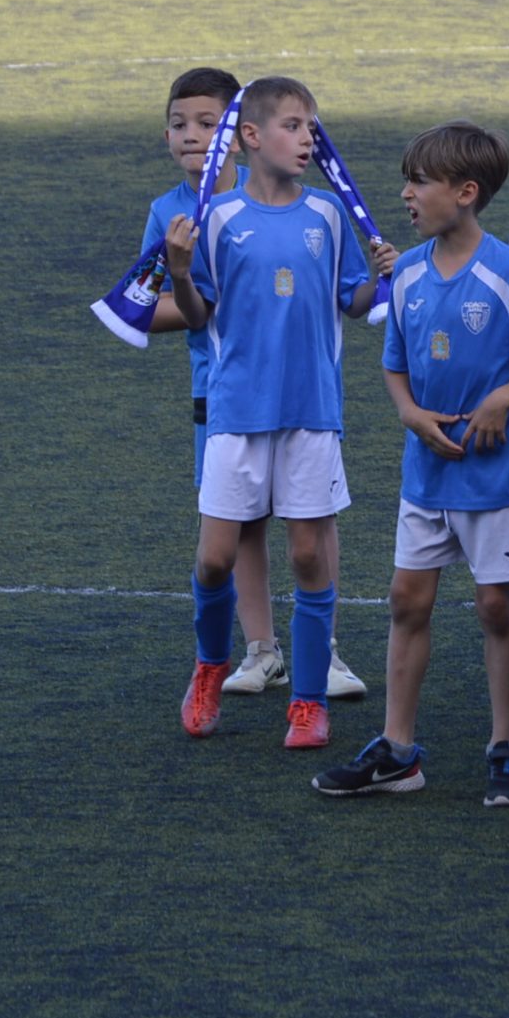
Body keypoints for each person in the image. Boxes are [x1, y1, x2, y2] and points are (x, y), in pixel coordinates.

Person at [315, 124, 509, 805]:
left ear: (466, 193)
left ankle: (506, 746)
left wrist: (502, 400)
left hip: (496, 476)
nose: (406, 193)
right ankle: (397, 748)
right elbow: (395, 365)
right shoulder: (404, 272)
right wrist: (406, 411)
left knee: (498, 607)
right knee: (408, 600)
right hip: (427, 471)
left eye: (420, 182)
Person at [166, 77, 398, 750]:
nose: (308, 140)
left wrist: (379, 276)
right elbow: (199, 314)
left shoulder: (327, 215)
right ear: (251, 138)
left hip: (312, 411)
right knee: (214, 561)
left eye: (311, 128)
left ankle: (306, 698)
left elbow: (352, 304)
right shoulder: (217, 219)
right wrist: (180, 273)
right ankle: (210, 667)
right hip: (238, 411)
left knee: (307, 554)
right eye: (294, 127)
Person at [136, 66, 357, 702]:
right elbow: (152, 305)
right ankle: (257, 649)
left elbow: (341, 292)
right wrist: (192, 291)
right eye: (180, 125)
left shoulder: (303, 204)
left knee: (310, 533)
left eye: (208, 123)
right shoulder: (176, 213)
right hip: (225, 388)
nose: (193, 137)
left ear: (238, 135)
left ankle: (322, 656)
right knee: (235, 532)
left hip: (301, 390)